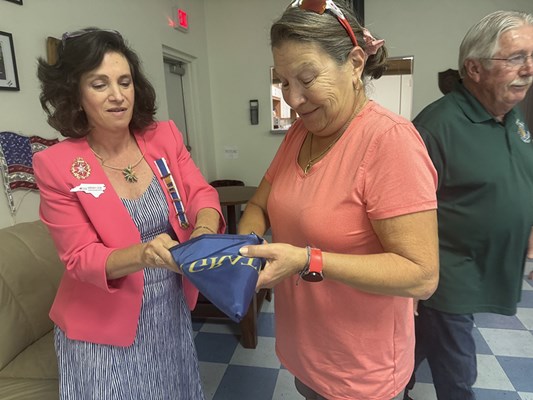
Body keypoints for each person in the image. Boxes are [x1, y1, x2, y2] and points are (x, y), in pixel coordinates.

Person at [237, 1, 440, 399]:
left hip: (360, 370)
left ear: (355, 63)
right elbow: (259, 206)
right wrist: (247, 248)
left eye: (306, 78)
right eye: (283, 82)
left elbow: (421, 275)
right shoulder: (300, 135)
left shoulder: (390, 142)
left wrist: (308, 260)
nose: (294, 98)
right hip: (306, 352)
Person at [33, 28, 224, 399]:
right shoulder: (56, 165)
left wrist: (203, 230)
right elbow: (81, 258)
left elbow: (201, 193)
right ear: (76, 95)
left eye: (125, 82)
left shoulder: (163, 136)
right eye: (99, 84)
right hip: (101, 324)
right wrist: (144, 254)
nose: (118, 95)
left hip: (167, 310)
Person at [403, 11, 533, 400]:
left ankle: (392, 385)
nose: (528, 68)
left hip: (484, 268)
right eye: (516, 58)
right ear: (474, 69)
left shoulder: (513, 116)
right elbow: (405, 213)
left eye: (531, 57)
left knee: (419, 345)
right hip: (448, 278)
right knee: (458, 372)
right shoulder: (435, 127)